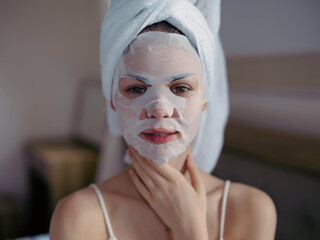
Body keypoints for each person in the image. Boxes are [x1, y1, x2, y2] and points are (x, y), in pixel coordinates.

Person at [50, 1, 277, 240]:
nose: (159, 110)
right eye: (136, 89)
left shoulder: (251, 210)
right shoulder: (78, 217)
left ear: (205, 100)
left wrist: (191, 231)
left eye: (180, 88)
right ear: (113, 101)